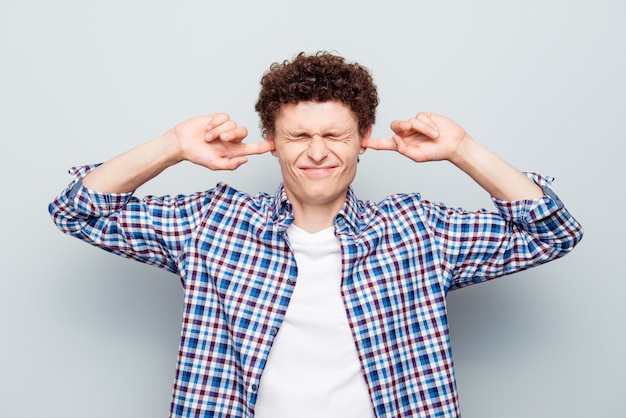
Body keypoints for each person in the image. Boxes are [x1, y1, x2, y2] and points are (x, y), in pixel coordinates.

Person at [49, 51, 583, 417]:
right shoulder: (213, 225)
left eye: (335, 134)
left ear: (363, 140)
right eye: (299, 135)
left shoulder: (417, 231)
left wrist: (463, 150)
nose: (318, 151)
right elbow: (78, 211)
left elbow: (553, 233)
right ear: (272, 142)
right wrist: (171, 145)